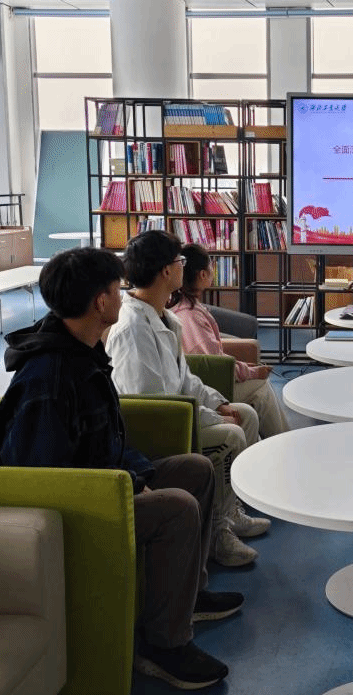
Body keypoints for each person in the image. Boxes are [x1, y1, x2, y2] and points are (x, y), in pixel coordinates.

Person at [0, 247, 240, 691]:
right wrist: (128, 485)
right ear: (100, 302)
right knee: (177, 508)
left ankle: (191, 596)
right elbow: (47, 479)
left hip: (104, 483)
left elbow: (107, 440)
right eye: (115, 289)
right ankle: (164, 645)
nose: (123, 296)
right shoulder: (49, 378)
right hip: (73, 510)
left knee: (197, 470)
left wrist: (138, 476)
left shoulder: (83, 352)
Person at [106, 230, 267, 568]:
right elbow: (154, 404)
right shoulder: (133, 329)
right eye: (179, 261)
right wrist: (215, 419)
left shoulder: (165, 316)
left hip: (179, 413)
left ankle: (229, 511)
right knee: (231, 434)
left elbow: (185, 379)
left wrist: (218, 403)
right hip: (160, 429)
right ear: (166, 271)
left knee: (246, 415)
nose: (184, 266)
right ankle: (218, 532)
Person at [171, 243, 289, 438]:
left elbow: (214, 357)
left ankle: (278, 440)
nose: (212, 271)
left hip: (204, 380)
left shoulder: (185, 306)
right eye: (211, 266)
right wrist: (252, 372)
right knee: (260, 387)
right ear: (202, 274)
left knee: (259, 382)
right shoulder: (191, 316)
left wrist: (246, 367)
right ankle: (282, 440)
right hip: (209, 385)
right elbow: (214, 365)